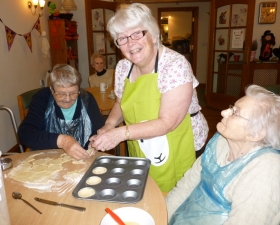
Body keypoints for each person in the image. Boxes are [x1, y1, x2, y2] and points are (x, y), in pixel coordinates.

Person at [89, 3, 208, 192]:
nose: (131, 43)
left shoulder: (175, 65)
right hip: (142, 142)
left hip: (180, 142)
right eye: (122, 38)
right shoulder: (122, 68)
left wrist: (120, 134)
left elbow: (169, 122)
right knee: (146, 190)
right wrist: (109, 126)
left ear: (153, 34)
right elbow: (120, 103)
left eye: (137, 33)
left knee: (176, 200)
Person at [165, 85, 280, 225]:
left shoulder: (266, 169)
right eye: (231, 107)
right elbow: (185, 187)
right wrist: (161, 218)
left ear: (255, 134)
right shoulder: (221, 142)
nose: (224, 112)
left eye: (235, 113)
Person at [18, 64, 104, 160]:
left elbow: (99, 129)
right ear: (51, 89)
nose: (67, 99)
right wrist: (62, 141)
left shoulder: (87, 99)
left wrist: (95, 141)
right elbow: (25, 133)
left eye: (73, 93)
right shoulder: (43, 98)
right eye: (61, 94)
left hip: (82, 157)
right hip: (49, 158)